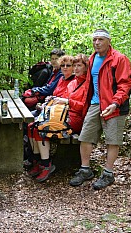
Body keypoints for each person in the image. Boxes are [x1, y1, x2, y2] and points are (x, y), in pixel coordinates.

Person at [69, 29, 131, 190]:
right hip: (95, 104)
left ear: (108, 41)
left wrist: (115, 103)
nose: (96, 42)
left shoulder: (119, 59)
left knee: (112, 140)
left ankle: (108, 174)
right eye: (94, 39)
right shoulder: (92, 58)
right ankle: (85, 170)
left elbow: (125, 84)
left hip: (114, 105)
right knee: (85, 136)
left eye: (100, 40)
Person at [27, 54, 89, 182]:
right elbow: (62, 99)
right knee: (33, 126)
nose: (76, 68)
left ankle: (46, 165)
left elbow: (82, 106)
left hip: (75, 119)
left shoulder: (86, 84)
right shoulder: (73, 83)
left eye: (79, 66)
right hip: (63, 114)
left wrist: (66, 102)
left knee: (41, 128)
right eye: (75, 65)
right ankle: (39, 161)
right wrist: (54, 100)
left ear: (86, 67)